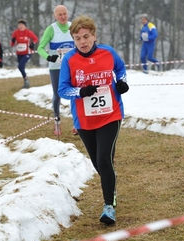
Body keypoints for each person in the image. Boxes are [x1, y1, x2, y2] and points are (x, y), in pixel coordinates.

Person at [58, 15, 129, 224]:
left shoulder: (108, 52)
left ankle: (109, 207)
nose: (83, 41)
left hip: (110, 114)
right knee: (101, 165)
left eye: (86, 36)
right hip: (85, 120)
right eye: (78, 38)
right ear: (73, 39)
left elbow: (120, 69)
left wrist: (122, 82)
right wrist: (81, 91)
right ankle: (111, 183)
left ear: (94, 35)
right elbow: (63, 90)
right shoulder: (69, 60)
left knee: (103, 160)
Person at [37, 5, 76, 136]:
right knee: (57, 94)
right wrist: (49, 57)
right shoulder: (51, 29)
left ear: (68, 13)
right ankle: (57, 123)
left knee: (74, 93)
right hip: (56, 68)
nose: (63, 17)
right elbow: (40, 48)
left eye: (64, 13)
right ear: (55, 16)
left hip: (71, 67)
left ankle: (76, 124)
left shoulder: (73, 27)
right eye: (60, 15)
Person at [10, 19, 38, 88]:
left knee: (20, 66)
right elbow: (12, 44)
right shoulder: (15, 33)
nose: (20, 26)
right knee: (21, 67)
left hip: (27, 52)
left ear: (25, 26)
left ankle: (26, 79)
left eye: (22, 25)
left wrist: (32, 43)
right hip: (19, 52)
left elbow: (35, 38)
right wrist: (13, 41)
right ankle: (26, 81)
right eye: (19, 25)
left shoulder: (28, 32)